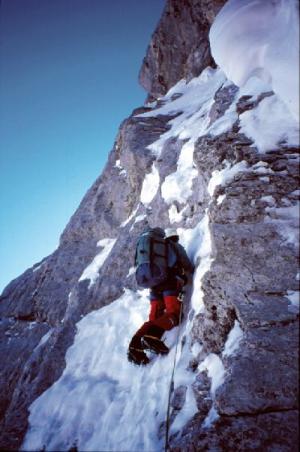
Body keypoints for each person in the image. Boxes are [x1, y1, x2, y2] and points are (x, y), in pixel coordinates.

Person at [128, 228, 194, 365]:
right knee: (173, 313)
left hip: (153, 287)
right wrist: (191, 271)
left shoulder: (146, 250)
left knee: (154, 318)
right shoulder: (170, 245)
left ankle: (135, 347)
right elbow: (187, 263)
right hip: (169, 283)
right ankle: (152, 336)